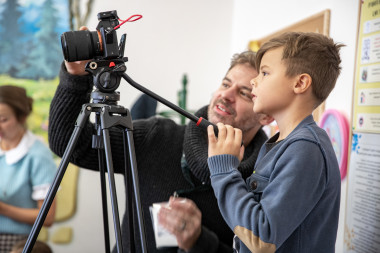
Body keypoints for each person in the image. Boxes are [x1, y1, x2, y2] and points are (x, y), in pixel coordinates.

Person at [48, 49, 273, 253]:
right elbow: (67, 142)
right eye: (225, 84)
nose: (226, 95)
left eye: (244, 93)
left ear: (265, 116)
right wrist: (76, 77)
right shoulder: (156, 136)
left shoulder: (267, 178)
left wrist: (199, 241)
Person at [207, 32, 344, 253]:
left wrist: (223, 170)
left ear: (300, 83)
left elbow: (262, 239)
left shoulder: (305, 148)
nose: (254, 80)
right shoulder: (283, 144)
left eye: (264, 72)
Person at [0, 85, 57, 252]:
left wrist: (3, 209)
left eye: (3, 120)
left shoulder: (37, 155)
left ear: (22, 117)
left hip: (16, 244)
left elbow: (47, 217)